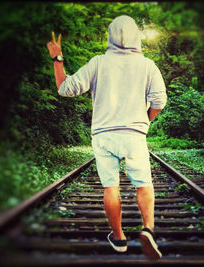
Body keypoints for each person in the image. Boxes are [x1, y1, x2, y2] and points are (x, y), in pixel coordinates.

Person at [46, 15, 167, 260]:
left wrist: (57, 59)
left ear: (110, 36)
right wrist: (146, 119)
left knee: (111, 186)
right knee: (144, 183)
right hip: (134, 134)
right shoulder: (147, 65)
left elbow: (64, 88)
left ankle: (119, 238)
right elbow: (160, 101)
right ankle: (148, 229)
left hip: (104, 135)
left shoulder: (98, 63)